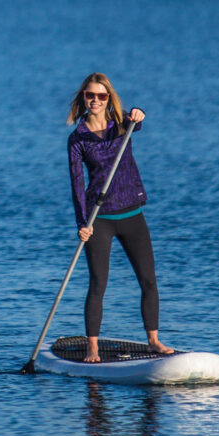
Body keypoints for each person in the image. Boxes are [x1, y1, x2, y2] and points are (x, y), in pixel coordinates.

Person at [67, 72, 174, 363]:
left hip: (132, 214)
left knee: (148, 280)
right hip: (99, 218)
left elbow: (137, 122)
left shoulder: (122, 124)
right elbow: (77, 184)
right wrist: (82, 224)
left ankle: (153, 341)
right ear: (83, 98)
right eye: (90, 95)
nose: (96, 101)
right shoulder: (78, 139)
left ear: (108, 98)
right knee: (98, 283)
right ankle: (92, 348)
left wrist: (139, 115)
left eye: (102, 96)